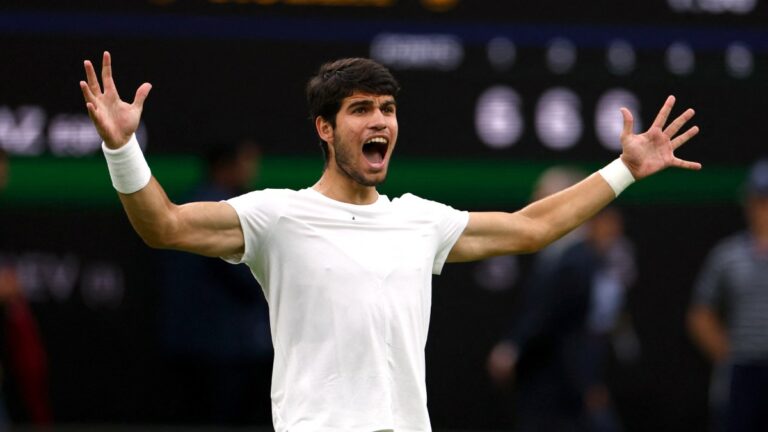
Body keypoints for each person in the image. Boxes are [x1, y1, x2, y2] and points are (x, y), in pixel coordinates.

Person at [79, 51, 700, 431]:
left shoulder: (419, 221)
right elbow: (161, 224)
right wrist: (121, 146)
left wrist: (624, 170)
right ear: (325, 128)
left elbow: (532, 227)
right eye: (359, 109)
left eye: (387, 109)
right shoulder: (276, 217)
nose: (379, 120)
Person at [487, 205, 635, 432]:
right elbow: (548, 316)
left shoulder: (591, 261)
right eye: (608, 224)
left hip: (574, 379)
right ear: (593, 223)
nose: (614, 231)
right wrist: (513, 347)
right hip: (560, 379)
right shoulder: (577, 262)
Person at [156, 139, 272, 425]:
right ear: (226, 165)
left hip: (190, 345)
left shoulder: (188, 202)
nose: (252, 169)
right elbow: (247, 281)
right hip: (223, 350)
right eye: (247, 161)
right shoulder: (223, 212)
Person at [687, 158, 768, 432]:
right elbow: (700, 313)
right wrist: (727, 355)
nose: (764, 209)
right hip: (743, 369)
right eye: (760, 199)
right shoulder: (728, 255)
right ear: (749, 202)